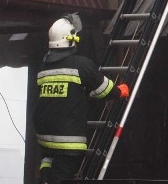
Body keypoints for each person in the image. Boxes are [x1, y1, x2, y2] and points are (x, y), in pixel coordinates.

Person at [33, 14, 130, 184]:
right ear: (71, 39)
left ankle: (45, 177)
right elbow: (104, 90)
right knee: (62, 177)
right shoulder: (82, 65)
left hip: (44, 136)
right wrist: (119, 91)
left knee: (48, 162)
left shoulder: (43, 68)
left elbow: (66, 93)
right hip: (68, 141)